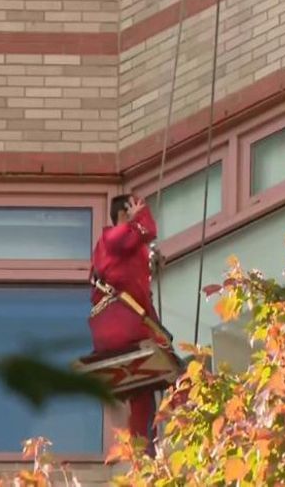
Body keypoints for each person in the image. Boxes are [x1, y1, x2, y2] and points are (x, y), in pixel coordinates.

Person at [88, 193, 169, 455]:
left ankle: (143, 453)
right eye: (136, 205)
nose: (141, 210)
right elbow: (148, 230)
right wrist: (140, 217)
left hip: (122, 325)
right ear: (124, 213)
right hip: (124, 326)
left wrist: (148, 262)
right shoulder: (111, 238)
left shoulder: (122, 248)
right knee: (176, 373)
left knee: (142, 394)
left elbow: (132, 285)